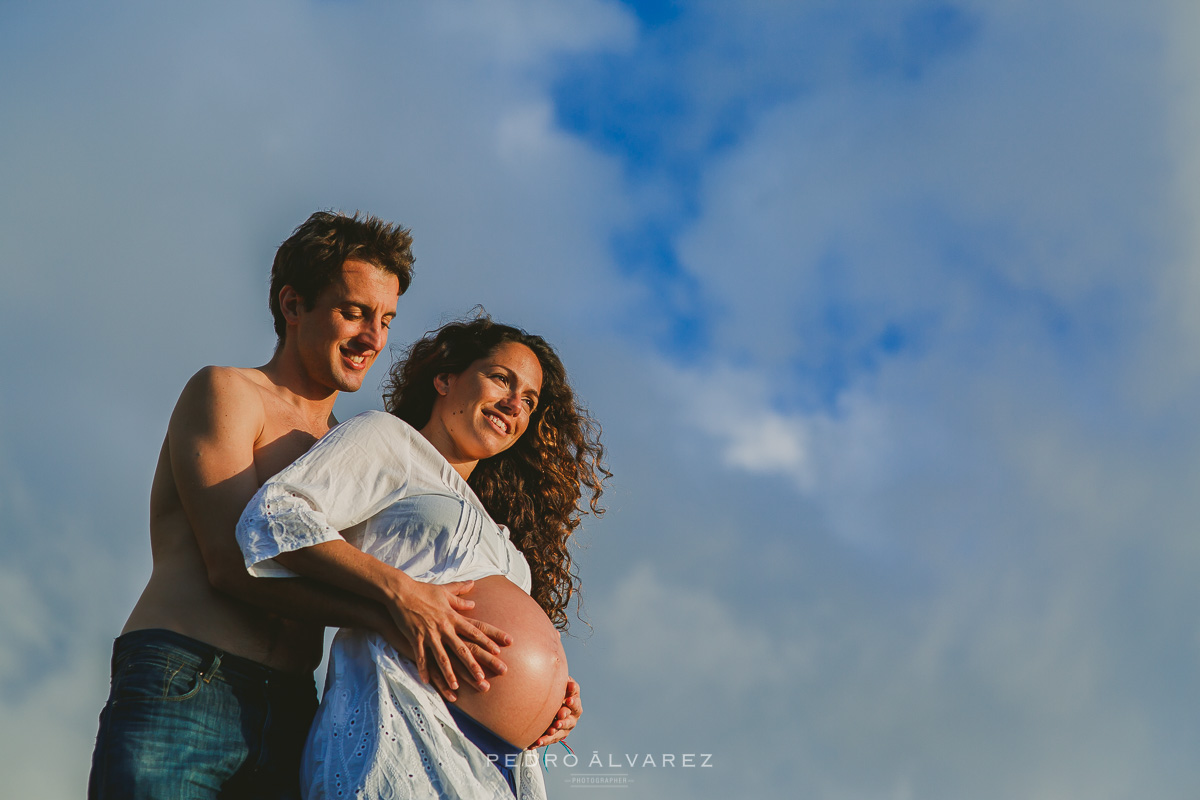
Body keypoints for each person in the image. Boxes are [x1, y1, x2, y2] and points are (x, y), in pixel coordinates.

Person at [87, 211, 522, 799]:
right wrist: (394, 606)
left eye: (386, 319)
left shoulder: (356, 450)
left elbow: (421, 577)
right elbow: (232, 560)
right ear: (293, 306)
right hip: (187, 676)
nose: (373, 338)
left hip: (297, 708)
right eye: (354, 312)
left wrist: (524, 686)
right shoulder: (228, 392)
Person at [236, 317, 608, 799]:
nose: (516, 404)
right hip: (406, 733)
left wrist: (550, 699)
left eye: (530, 401)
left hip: (497, 768)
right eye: (501, 379)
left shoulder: (504, 542)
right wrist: (399, 591)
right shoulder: (390, 440)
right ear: (445, 378)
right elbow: (274, 516)